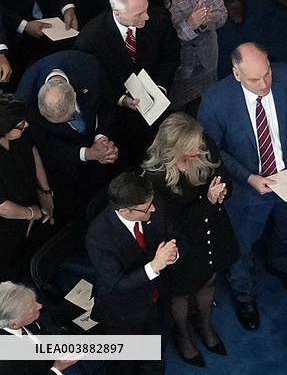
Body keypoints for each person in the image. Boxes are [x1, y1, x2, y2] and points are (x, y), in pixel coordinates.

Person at [197, 43, 287, 331]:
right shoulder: (215, 100)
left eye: (267, 74)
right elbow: (213, 151)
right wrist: (248, 177)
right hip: (246, 187)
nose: (264, 85)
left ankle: (281, 266)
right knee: (241, 246)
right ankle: (244, 295)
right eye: (254, 79)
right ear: (236, 74)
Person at [141, 114, 237, 367]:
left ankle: (206, 328)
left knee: (209, 279)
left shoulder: (204, 146)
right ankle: (183, 337)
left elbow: (223, 176)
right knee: (181, 293)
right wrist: (208, 200)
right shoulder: (154, 178)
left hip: (211, 230)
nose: (199, 148)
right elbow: (173, 224)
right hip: (181, 242)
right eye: (192, 146)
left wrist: (222, 191)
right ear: (175, 149)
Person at [74, 0, 181, 167]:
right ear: (118, 13)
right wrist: (121, 99)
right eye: (138, 14)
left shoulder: (158, 17)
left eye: (146, 9)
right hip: (117, 117)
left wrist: (160, 87)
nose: (146, 17)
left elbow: (171, 55)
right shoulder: (91, 38)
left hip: (157, 107)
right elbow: (91, 81)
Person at [87, 172, 177, 375]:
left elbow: (173, 234)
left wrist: (173, 253)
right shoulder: (98, 236)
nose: (153, 209)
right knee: (123, 364)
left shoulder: (150, 202)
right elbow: (117, 282)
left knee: (155, 354)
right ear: (125, 211)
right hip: (123, 311)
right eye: (146, 209)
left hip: (157, 299)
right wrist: (154, 266)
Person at [16, 50, 118, 223]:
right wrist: (88, 153)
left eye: (70, 117)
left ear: (74, 95)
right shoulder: (25, 100)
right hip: (63, 160)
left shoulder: (88, 68)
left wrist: (101, 140)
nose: (70, 123)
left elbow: (107, 103)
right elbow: (45, 144)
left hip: (95, 136)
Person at [141, 0, 226, 113]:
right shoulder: (151, 3)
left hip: (207, 53)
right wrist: (189, 25)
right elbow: (160, 46)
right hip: (178, 65)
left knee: (207, 95)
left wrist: (205, 20)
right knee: (177, 107)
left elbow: (222, 14)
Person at [0, 93, 54, 282]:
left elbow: (32, 152)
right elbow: (3, 207)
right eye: (21, 124)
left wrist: (45, 190)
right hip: (9, 231)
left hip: (32, 202)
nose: (26, 125)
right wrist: (33, 213)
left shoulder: (19, 136)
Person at [0, 282, 78, 375]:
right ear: (14, 324)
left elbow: (41, 333)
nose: (40, 306)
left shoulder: (20, 317)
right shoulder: (8, 363)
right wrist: (57, 369)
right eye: (32, 309)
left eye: (34, 301)